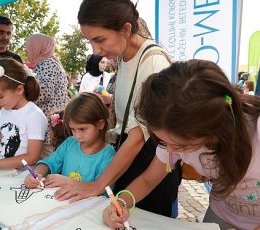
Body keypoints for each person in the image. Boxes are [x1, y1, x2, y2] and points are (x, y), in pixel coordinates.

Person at [55, 0, 181, 218]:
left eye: (100, 39)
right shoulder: (124, 56)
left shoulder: (153, 62)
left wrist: (96, 186)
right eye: (90, 41)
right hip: (128, 160)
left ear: (126, 29)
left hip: (150, 163)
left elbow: (137, 137)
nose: (95, 50)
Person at [103, 59, 260, 230]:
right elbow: (148, 180)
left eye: (182, 147)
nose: (170, 151)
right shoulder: (175, 133)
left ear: (214, 128)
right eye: (164, 142)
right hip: (220, 214)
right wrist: (120, 203)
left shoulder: (255, 132)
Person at [25, 93, 115, 189]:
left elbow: (103, 191)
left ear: (100, 124)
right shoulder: (70, 143)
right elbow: (49, 163)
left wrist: (68, 182)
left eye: (82, 129)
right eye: (73, 129)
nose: (77, 135)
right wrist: (35, 174)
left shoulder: (108, 155)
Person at [25, 33, 70, 156]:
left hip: (50, 124)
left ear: (37, 48)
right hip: (53, 122)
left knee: (49, 159)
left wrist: (24, 95)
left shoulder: (47, 64)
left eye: (28, 49)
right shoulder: (49, 63)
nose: (27, 52)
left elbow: (44, 92)